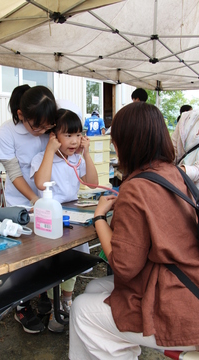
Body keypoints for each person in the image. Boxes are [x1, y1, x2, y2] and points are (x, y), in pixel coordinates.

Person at [69, 102, 199, 359]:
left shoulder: (135, 187)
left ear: (124, 144)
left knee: (82, 309)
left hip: (183, 307)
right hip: (188, 279)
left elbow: (124, 266)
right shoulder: (175, 173)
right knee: (94, 288)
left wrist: (99, 217)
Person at [0, 84, 57, 334]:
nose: (42, 131)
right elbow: (14, 173)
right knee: (23, 256)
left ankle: (43, 293)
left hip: (48, 199)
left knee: (47, 251)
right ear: (21, 115)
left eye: (47, 127)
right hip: (21, 203)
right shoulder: (6, 133)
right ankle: (21, 305)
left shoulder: (46, 124)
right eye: (37, 127)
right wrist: (35, 200)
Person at [31, 108, 98, 333]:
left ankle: (66, 302)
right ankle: (52, 306)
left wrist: (86, 154)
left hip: (74, 219)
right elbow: (41, 183)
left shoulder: (77, 159)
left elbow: (92, 183)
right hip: (50, 221)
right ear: (53, 136)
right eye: (68, 135)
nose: (74, 140)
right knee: (54, 265)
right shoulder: (41, 158)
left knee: (73, 261)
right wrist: (50, 150)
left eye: (77, 134)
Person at [172, 108, 199, 189]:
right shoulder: (186, 117)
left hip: (195, 192)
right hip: (176, 186)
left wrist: (173, 172)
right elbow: (173, 152)